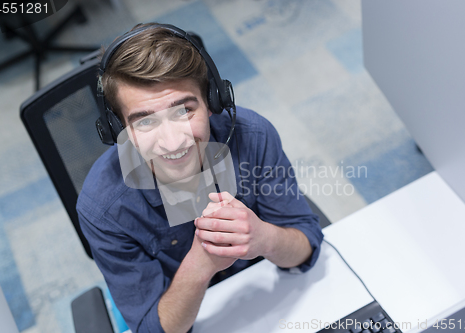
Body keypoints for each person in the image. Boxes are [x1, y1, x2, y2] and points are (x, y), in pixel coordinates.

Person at [77, 23, 324, 333]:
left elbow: (306, 247)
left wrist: (265, 238)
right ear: (119, 131)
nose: (173, 142)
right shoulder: (102, 206)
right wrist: (201, 263)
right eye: (146, 122)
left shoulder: (253, 136)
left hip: (270, 298)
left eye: (183, 111)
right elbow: (153, 328)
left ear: (212, 101)